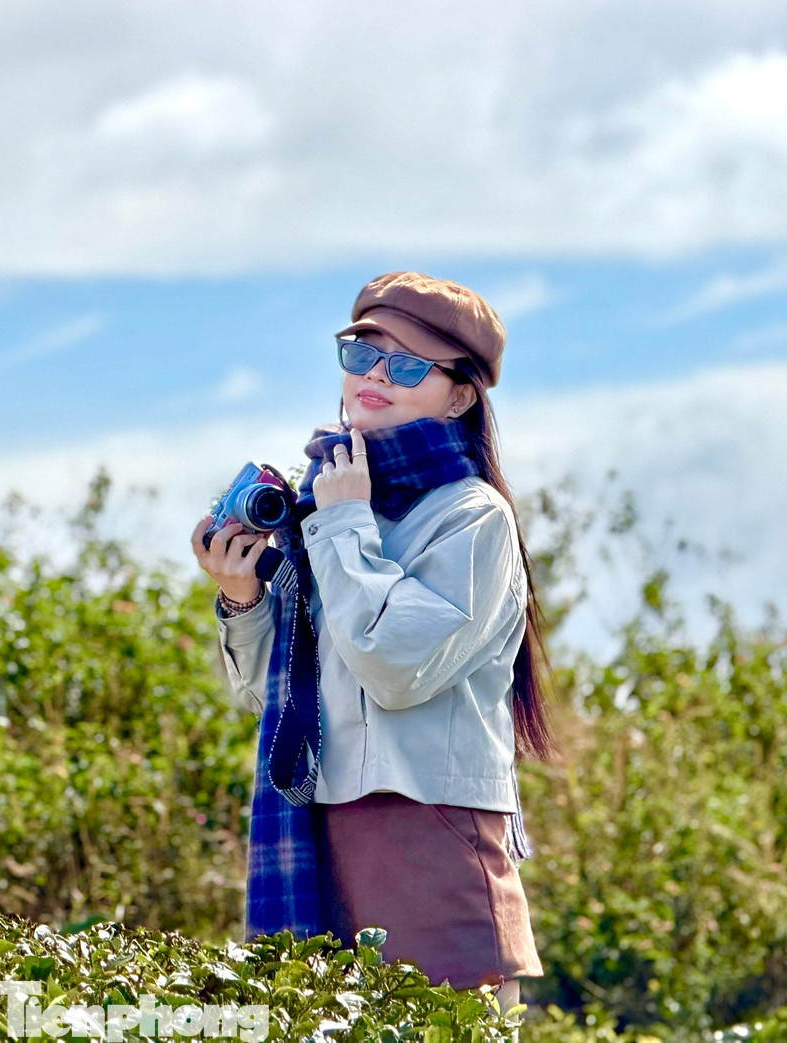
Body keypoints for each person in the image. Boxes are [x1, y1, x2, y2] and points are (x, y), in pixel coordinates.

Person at [191, 271, 560, 1023]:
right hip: (318, 824)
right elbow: (274, 701)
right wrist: (241, 596)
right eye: (363, 355)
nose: (377, 376)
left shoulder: (470, 516)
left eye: (409, 364)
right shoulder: (323, 506)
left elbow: (393, 668)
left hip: (431, 828)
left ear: (460, 397)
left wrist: (343, 524)